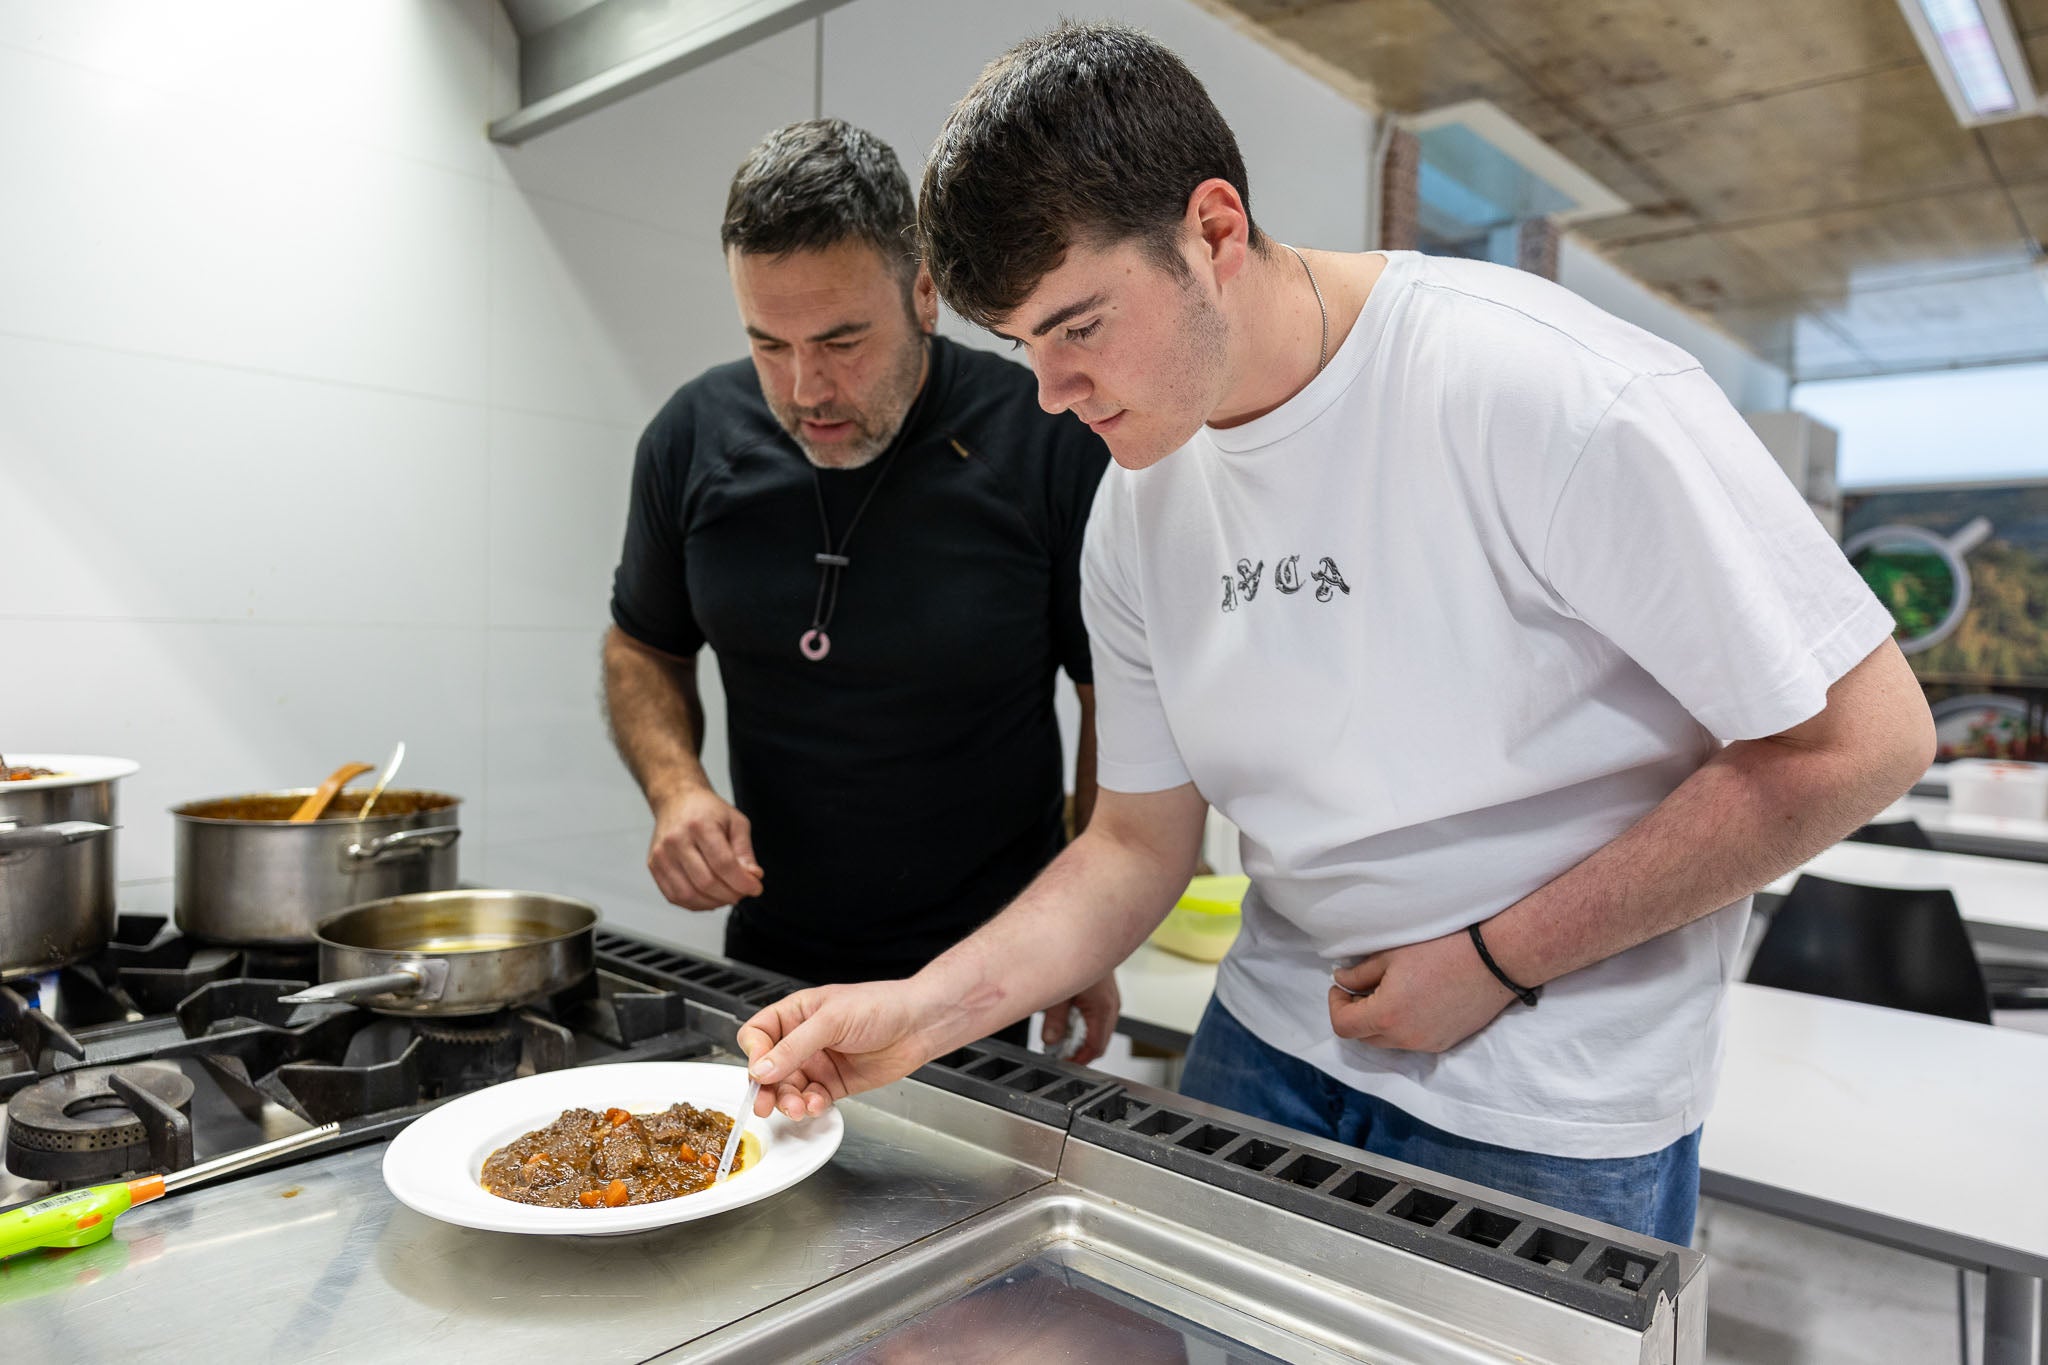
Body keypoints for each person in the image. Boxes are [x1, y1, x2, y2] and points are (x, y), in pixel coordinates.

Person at [733, 26, 1936, 1245]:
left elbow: (1862, 742)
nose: (1050, 391)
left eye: (1079, 326)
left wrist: (1498, 957)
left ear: (1212, 230)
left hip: (1549, 1093)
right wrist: (922, 1014)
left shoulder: (1544, 393)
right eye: (1021, 344)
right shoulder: (1138, 502)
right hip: (1268, 1049)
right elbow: (1135, 847)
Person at [604, 118, 1116, 1057]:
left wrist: (1087, 924)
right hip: (767, 966)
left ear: (924, 292)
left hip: (983, 976)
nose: (807, 389)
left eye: (842, 340)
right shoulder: (690, 440)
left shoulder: (1044, 440)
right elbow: (642, 643)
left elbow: (1109, 695)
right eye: (769, 343)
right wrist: (677, 790)